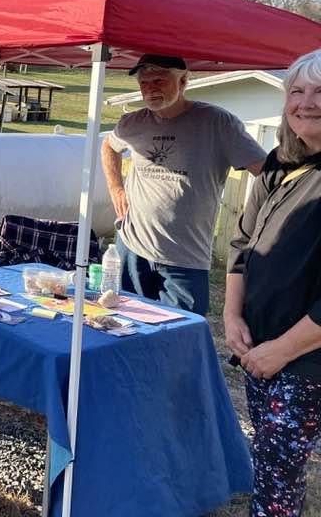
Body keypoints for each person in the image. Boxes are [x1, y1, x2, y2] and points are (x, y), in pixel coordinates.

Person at [224, 49, 321, 517]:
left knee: (278, 464)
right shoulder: (279, 162)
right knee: (268, 458)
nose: (307, 102)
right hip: (258, 344)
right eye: (297, 91)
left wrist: (284, 349)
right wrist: (230, 313)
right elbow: (242, 242)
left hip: (307, 356)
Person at [101, 54, 265, 314]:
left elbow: (266, 173)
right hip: (132, 247)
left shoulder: (218, 122)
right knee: (125, 326)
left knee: (180, 337)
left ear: (184, 81)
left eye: (159, 80)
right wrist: (116, 188)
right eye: (144, 83)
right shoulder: (132, 123)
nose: (150, 88)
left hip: (185, 257)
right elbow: (109, 145)